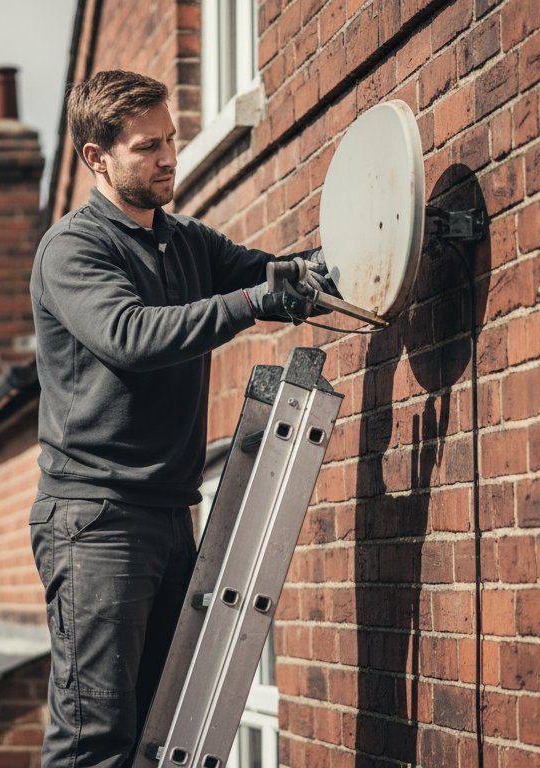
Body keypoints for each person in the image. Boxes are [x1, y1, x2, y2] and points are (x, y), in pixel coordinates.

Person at [28, 69, 330, 766]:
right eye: (146, 147)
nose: (168, 158)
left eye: (171, 140)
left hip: (168, 515)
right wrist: (252, 305)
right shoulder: (74, 249)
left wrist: (377, 249)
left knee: (162, 735)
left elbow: (279, 273)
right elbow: (130, 336)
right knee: (93, 741)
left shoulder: (187, 242)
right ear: (95, 157)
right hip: (96, 520)